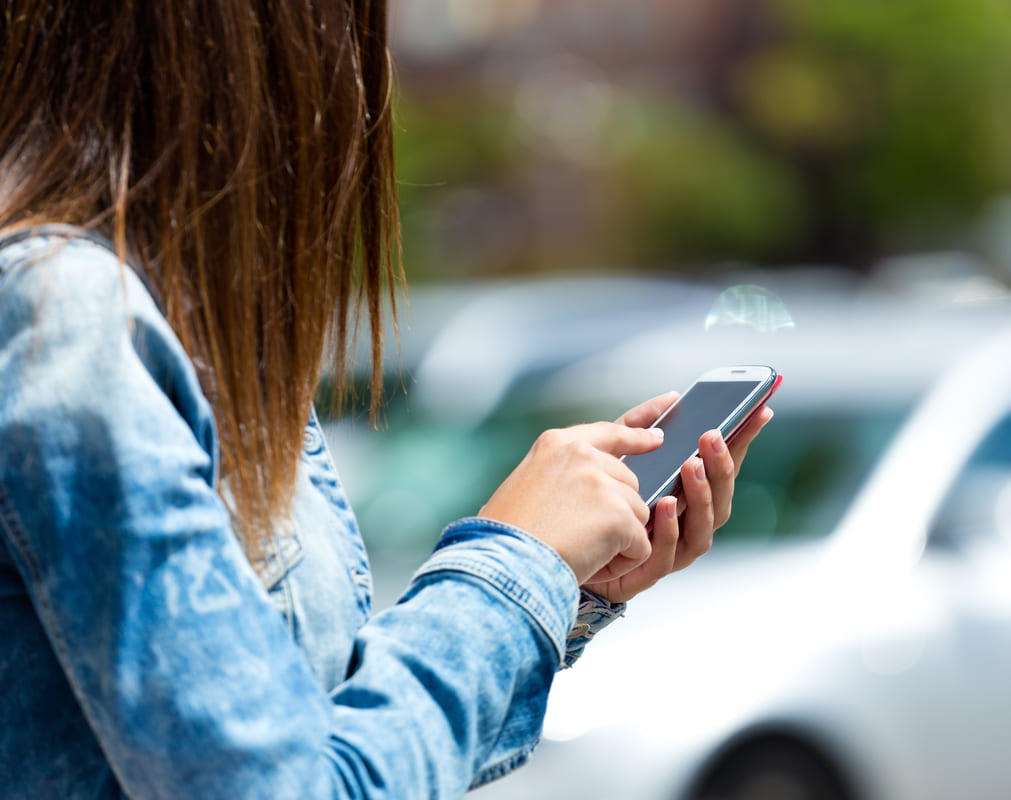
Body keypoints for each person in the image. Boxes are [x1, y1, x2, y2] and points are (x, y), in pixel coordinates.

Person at [0, 2, 772, 798]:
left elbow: (333, 737)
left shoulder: (183, 322)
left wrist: (570, 587)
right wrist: (516, 560)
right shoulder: (69, 315)